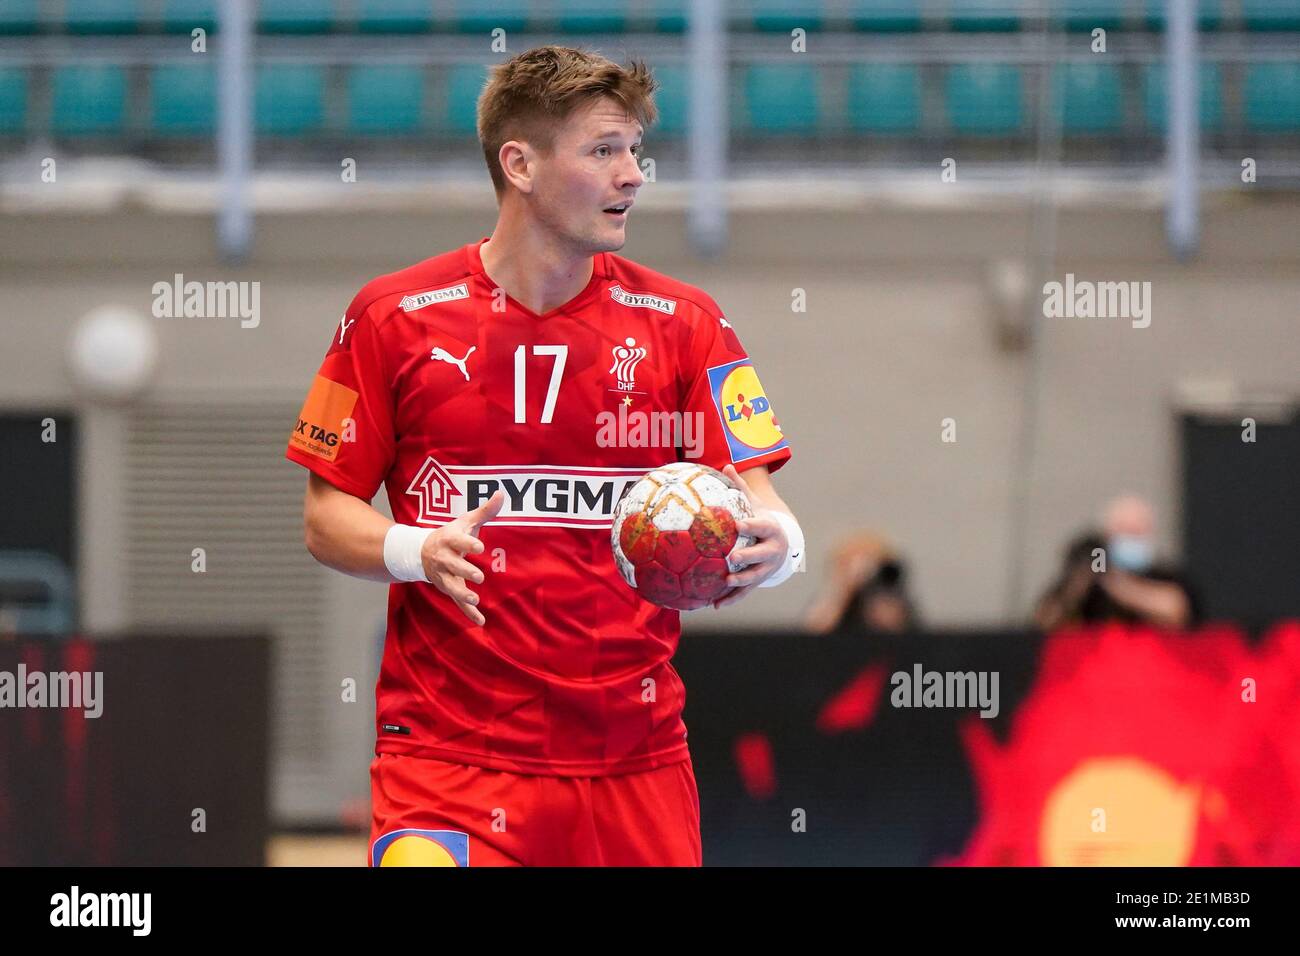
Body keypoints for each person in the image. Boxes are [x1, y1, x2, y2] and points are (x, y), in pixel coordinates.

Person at [284, 46, 802, 867]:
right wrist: (415, 549)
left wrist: (780, 549)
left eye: (635, 150)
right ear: (518, 163)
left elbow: (756, 496)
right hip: (447, 760)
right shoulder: (388, 317)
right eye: (603, 151)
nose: (633, 174)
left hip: (633, 763)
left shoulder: (686, 321)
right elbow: (324, 517)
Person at [1034, 494, 1200, 632]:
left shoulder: (1163, 574)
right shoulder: (1090, 577)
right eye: (1123, 531)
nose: (1129, 539)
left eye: (1136, 532)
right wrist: (1082, 579)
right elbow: (1046, 618)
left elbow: (1177, 609)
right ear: (1107, 536)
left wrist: (1117, 585)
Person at [803, 532, 918, 634]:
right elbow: (814, 631)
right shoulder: (833, 599)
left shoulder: (893, 596)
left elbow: (893, 625)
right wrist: (846, 587)